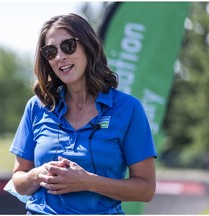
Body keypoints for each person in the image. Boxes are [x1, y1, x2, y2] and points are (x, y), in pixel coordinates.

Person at [9, 13, 157, 214]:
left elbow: (146, 189)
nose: (60, 57)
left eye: (68, 46)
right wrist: (36, 175)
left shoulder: (128, 109)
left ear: (88, 46)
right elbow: (18, 180)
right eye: (50, 51)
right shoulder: (37, 107)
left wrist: (88, 182)